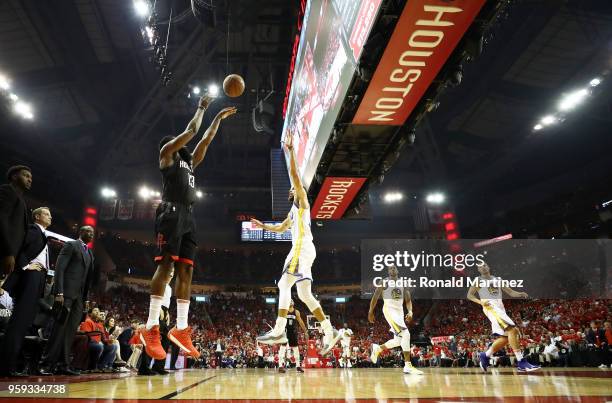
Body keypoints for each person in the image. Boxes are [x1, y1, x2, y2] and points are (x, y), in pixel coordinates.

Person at [140, 94, 236, 361]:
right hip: (170, 212)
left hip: (189, 217)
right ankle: (150, 327)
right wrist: (203, 107)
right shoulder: (167, 155)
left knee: (187, 271)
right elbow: (193, 131)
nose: (183, 144)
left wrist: (217, 119)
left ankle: (181, 328)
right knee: (166, 266)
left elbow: (205, 139)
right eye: (177, 141)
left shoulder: (189, 163)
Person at [254, 134, 339, 354]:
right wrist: (262, 226)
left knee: (283, 285)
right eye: (291, 189)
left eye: (293, 188)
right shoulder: (292, 214)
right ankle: (330, 332)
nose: (290, 190)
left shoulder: (302, 201)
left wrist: (291, 151)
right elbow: (280, 229)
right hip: (305, 251)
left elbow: (294, 176)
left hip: (301, 249)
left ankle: (280, 330)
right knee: (304, 295)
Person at [0, 207, 52, 376]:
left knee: (24, 323)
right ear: (37, 216)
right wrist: (25, 266)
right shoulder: (33, 229)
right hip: (30, 275)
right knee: (19, 322)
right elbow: (19, 248)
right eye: (46, 214)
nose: (50, 217)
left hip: (38, 278)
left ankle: (11, 364)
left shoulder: (43, 234)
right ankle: (6, 366)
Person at [39, 226, 96, 376]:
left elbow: (87, 280)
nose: (91, 234)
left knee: (70, 332)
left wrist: (85, 299)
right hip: (66, 295)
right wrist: (59, 292)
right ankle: (45, 363)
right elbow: (60, 269)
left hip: (79, 299)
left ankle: (63, 364)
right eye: (88, 232)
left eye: (93, 233)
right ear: (81, 233)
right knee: (59, 330)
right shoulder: (71, 245)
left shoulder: (90, 253)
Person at [467, 261, 540, 372]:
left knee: (506, 337)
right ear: (478, 270)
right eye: (480, 267)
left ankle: (485, 355)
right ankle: (521, 362)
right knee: (512, 330)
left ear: (488, 266)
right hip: (490, 307)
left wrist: (519, 293)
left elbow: (510, 292)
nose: (483, 268)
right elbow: (469, 295)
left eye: (485, 265)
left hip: (500, 307)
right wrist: (481, 302)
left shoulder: (497, 279)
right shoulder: (478, 280)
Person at [368, 265, 423, 375]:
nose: (392, 270)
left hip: (399, 312)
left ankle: (378, 348)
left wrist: (410, 311)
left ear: (397, 270)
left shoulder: (403, 283)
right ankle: (408, 365)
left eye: (394, 268)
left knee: (398, 340)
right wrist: (370, 311)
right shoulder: (384, 282)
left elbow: (408, 300)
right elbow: (375, 297)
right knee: (406, 334)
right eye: (390, 268)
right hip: (389, 310)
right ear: (388, 272)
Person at [0, 165, 31, 276]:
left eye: (31, 178)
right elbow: (1, 220)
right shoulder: (7, 190)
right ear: (14, 177)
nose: (29, 180)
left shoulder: (20, 199)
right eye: (26, 176)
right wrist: (8, 252)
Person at [278, 299, 307, 373]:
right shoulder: (284, 311)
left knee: (296, 349)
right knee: (282, 348)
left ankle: (298, 366)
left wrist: (305, 331)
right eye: (289, 301)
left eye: (292, 301)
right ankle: (280, 366)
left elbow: (300, 322)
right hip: (285, 331)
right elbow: (279, 321)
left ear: (293, 303)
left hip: (293, 332)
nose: (290, 302)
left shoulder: (296, 312)